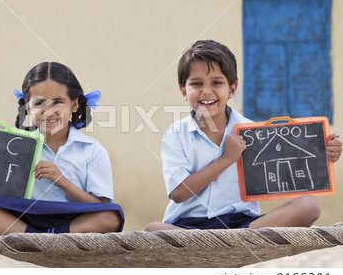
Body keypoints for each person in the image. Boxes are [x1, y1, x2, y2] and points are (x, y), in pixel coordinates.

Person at [145, 40, 342, 232]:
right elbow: (179, 193)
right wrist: (226, 159)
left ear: (232, 89)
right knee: (153, 230)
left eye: (216, 82)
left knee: (309, 206)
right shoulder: (175, 135)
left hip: (243, 226)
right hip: (187, 227)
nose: (206, 91)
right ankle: (219, 247)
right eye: (196, 84)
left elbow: (285, 168)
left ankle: (225, 245)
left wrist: (322, 154)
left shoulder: (252, 131)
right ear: (183, 91)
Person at [0, 62, 124, 235]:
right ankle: (36, 238)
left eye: (58, 102)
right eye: (39, 103)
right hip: (26, 220)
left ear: (74, 104)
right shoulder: (14, 146)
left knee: (111, 217)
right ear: (28, 108)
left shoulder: (92, 151)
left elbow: (100, 208)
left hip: (75, 222)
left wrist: (62, 181)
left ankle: (45, 238)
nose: (49, 111)